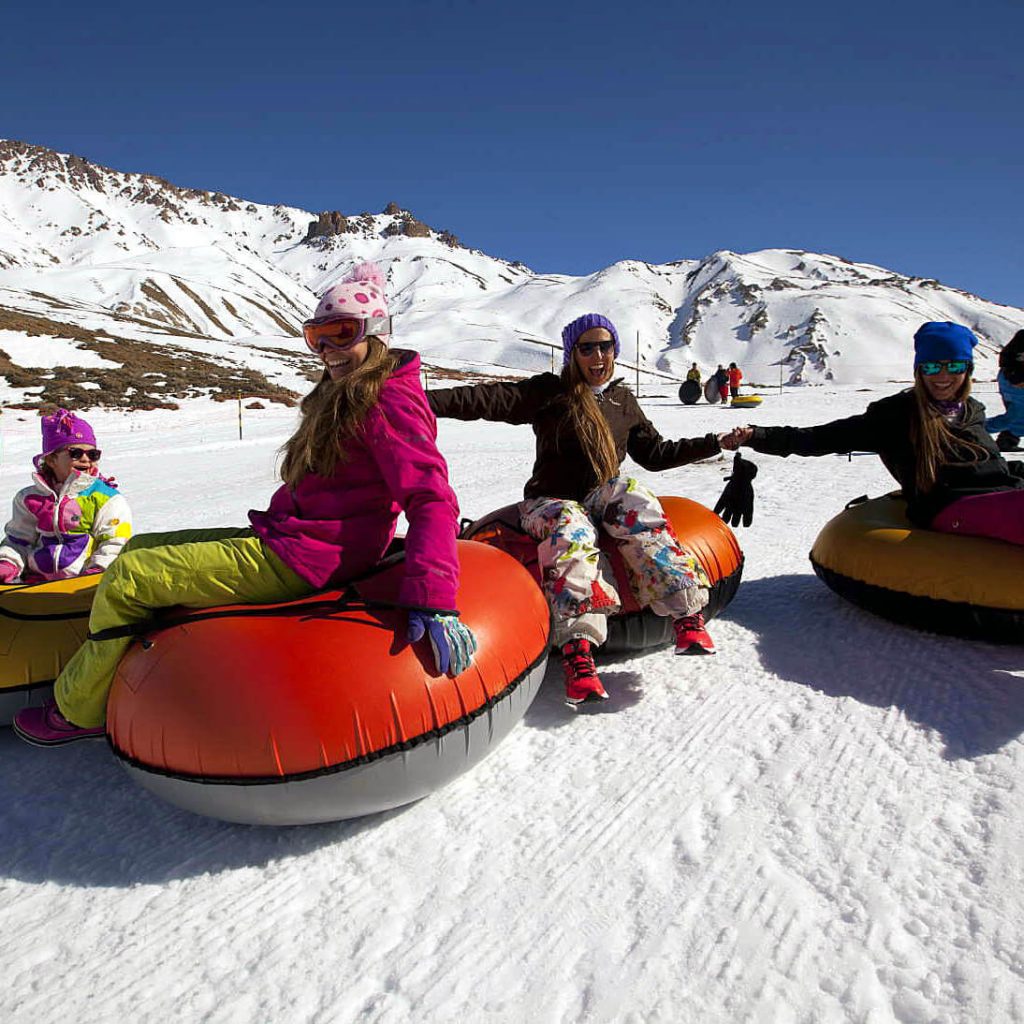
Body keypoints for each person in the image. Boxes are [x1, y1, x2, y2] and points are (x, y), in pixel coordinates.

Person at [13, 263, 475, 745]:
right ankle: (113, 664)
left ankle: (79, 709)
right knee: (137, 550)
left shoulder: (387, 400)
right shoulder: (349, 394)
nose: (328, 350)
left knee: (131, 577)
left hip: (310, 558)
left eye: (342, 332)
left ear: (376, 333)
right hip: (293, 539)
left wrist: (435, 600)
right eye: (316, 336)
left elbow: (431, 498)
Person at [426, 312, 745, 707]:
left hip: (600, 497)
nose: (597, 355)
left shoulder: (622, 400)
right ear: (572, 354)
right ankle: (578, 652)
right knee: (571, 523)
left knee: (630, 491)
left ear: (615, 350)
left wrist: (715, 442)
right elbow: (482, 399)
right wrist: (417, 399)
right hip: (548, 502)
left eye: (605, 346)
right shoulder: (550, 392)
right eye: (587, 348)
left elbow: (656, 454)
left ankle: (685, 613)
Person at [726, 322, 1024, 546]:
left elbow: (989, 469)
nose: (943, 376)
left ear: (968, 369)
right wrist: (756, 435)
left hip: (1001, 496)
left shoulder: (972, 410)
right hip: (950, 507)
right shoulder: (895, 414)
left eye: (954, 366)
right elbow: (819, 438)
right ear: (919, 371)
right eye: (932, 366)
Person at [0, 408, 132, 584]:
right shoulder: (30, 498)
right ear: (51, 460)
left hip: (85, 582)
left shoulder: (106, 498)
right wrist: (8, 563)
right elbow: (19, 539)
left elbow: (115, 541)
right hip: (35, 582)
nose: (86, 459)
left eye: (93, 454)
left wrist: (98, 571)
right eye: (75, 453)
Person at [985, 328, 1024, 451]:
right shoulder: (1022, 338)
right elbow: (1006, 357)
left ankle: (1007, 440)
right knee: (1016, 416)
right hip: (1015, 381)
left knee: (1017, 416)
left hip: (1014, 379)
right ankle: (970, 430)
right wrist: (1014, 377)